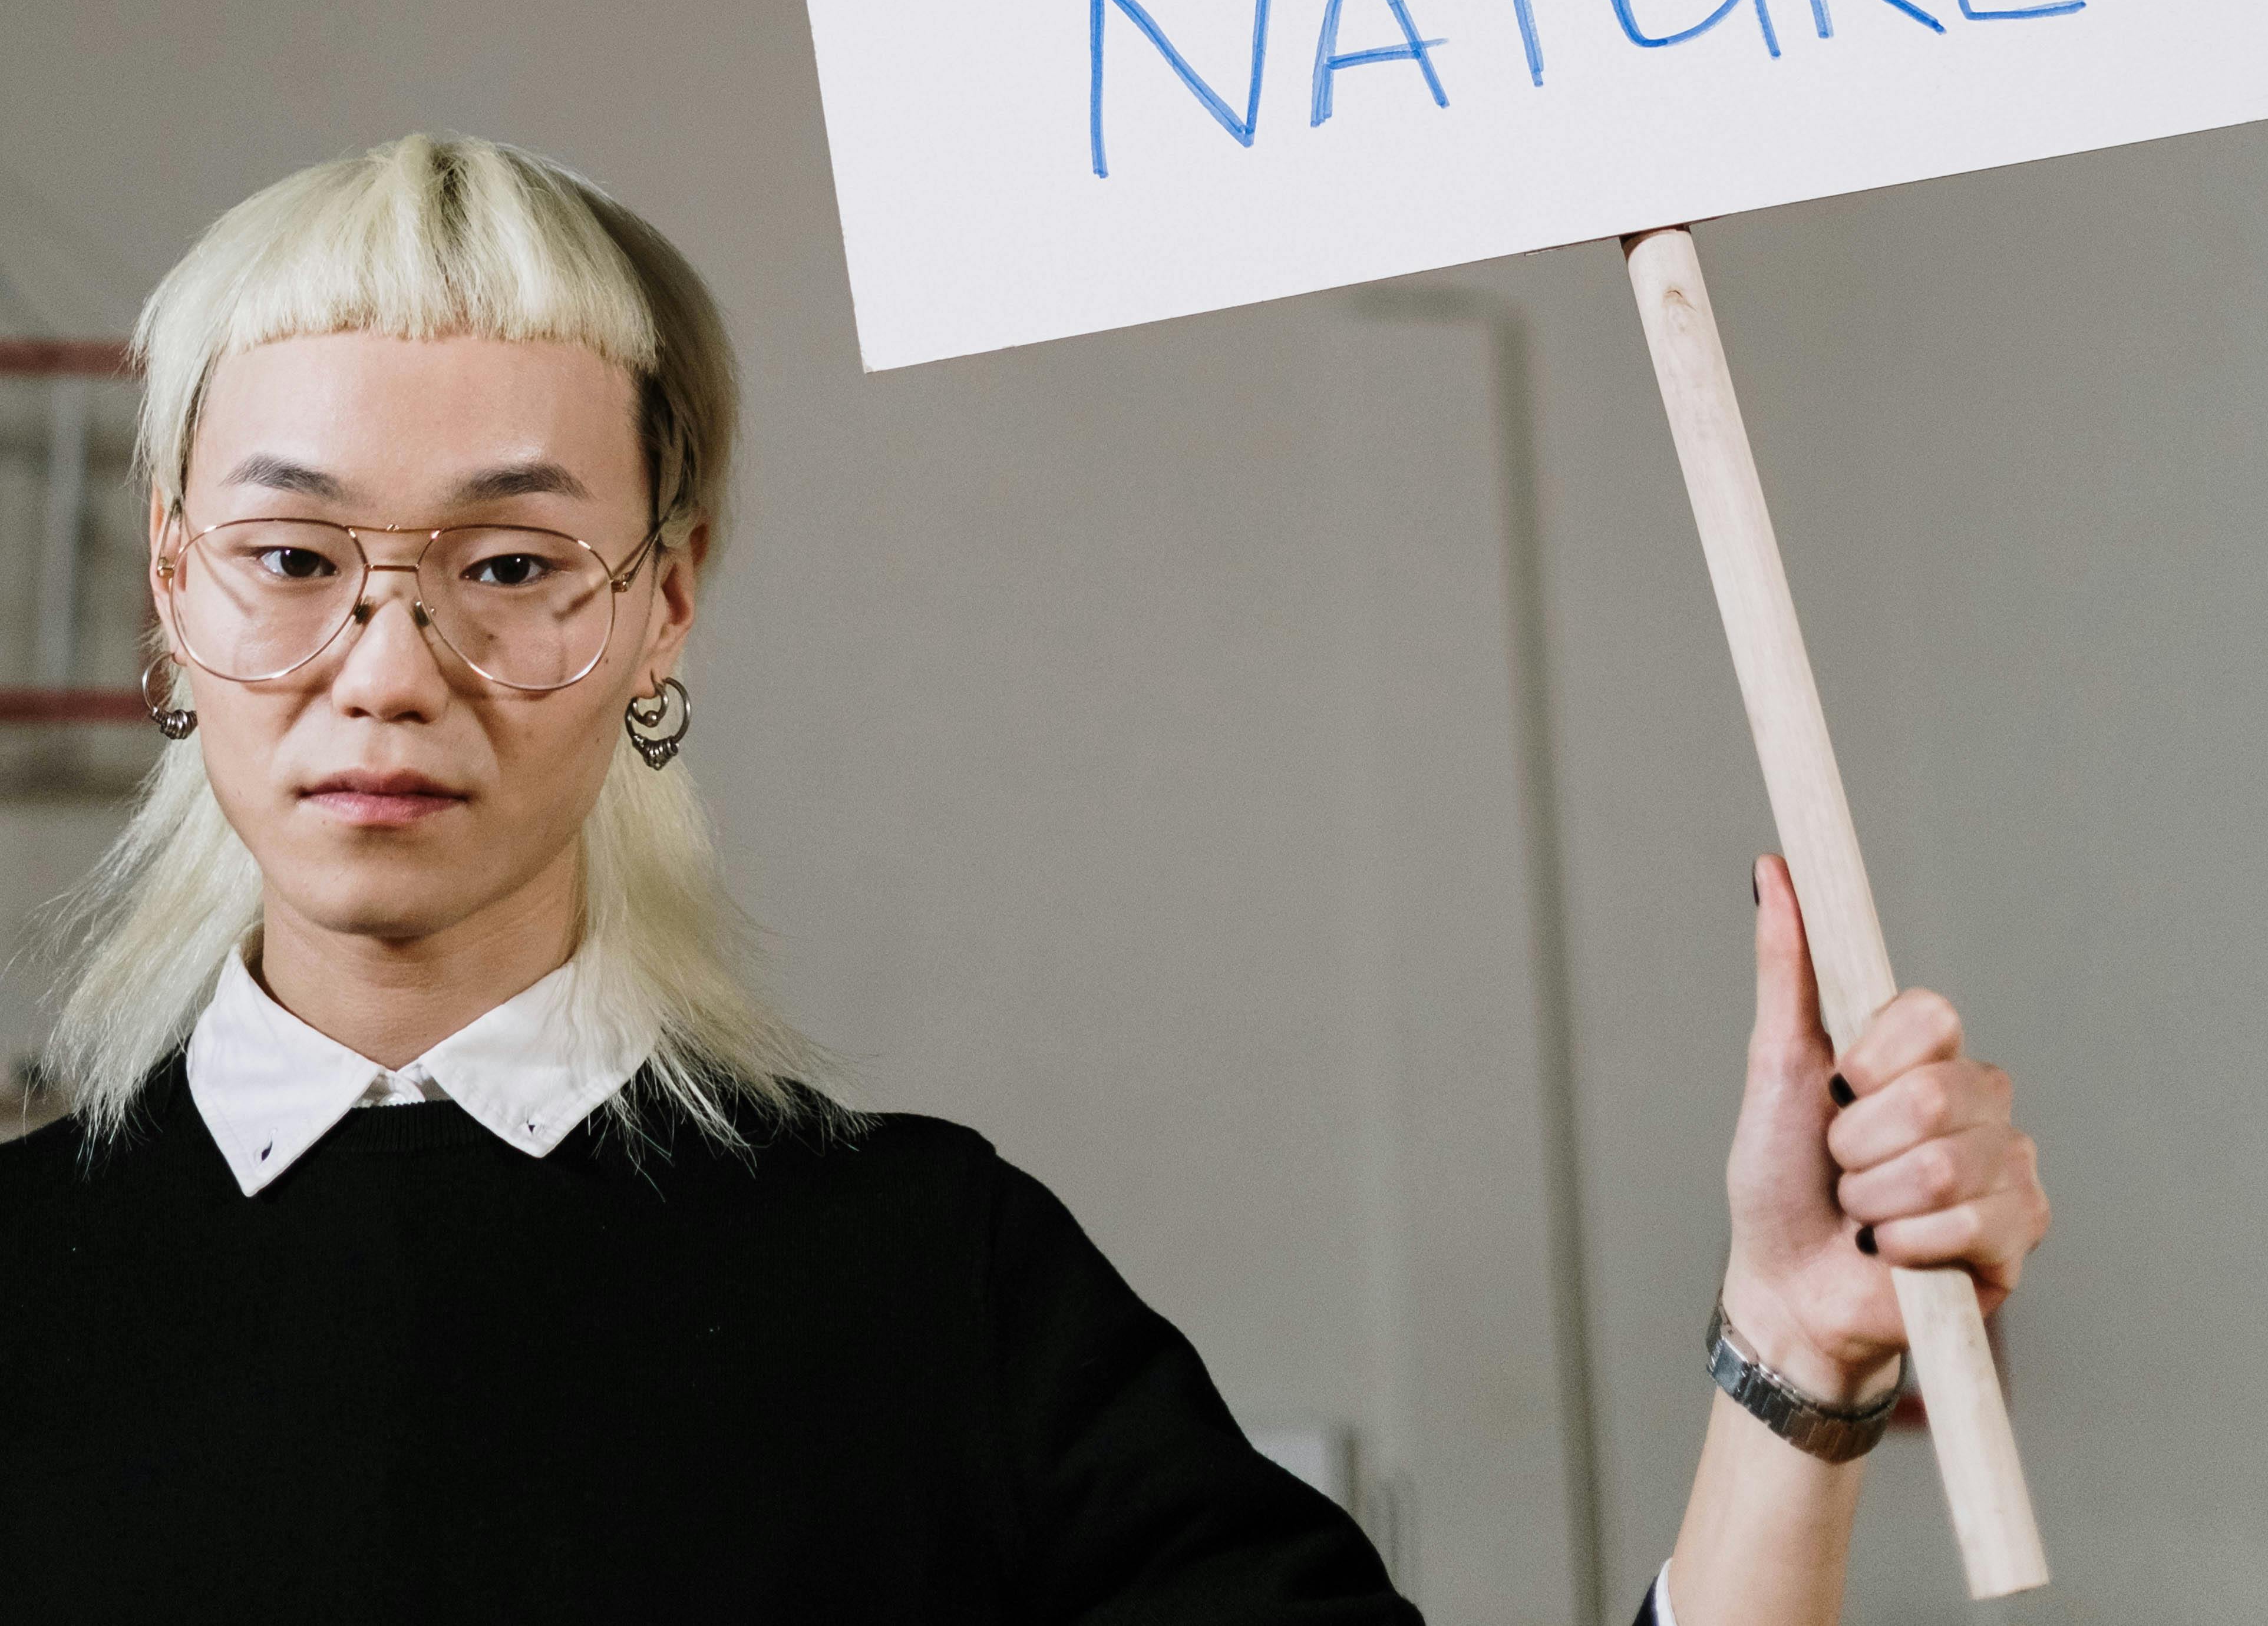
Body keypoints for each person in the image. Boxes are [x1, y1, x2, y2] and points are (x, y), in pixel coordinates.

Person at [2, 134, 2048, 1625]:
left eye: (511, 567)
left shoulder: (926, 1275)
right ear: (175, 594)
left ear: (663, 611)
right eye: (293, 558)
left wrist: (1791, 1368)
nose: (389, 665)